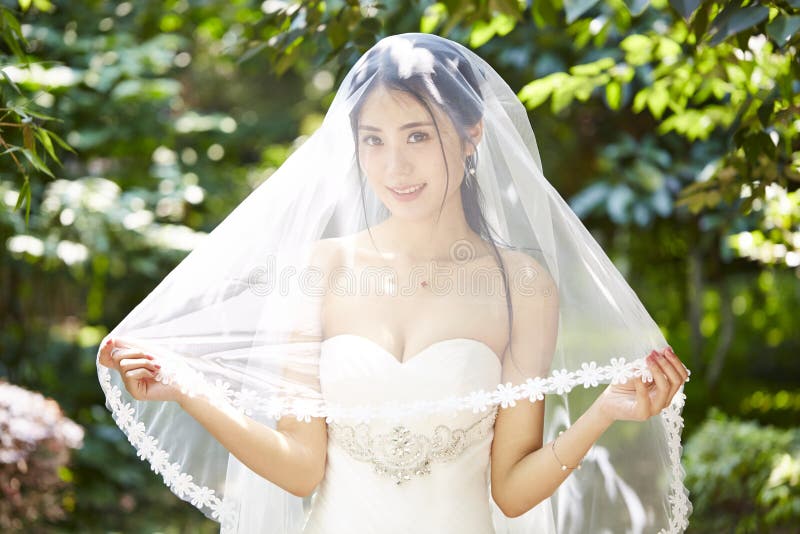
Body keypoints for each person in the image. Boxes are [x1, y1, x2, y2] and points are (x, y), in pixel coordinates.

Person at [97, 33, 692, 533]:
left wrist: (602, 413)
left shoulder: (521, 285)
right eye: (373, 141)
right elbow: (303, 466)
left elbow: (510, 490)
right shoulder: (319, 271)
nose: (394, 167)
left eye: (418, 135)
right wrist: (188, 388)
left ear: (471, 135)